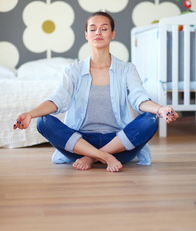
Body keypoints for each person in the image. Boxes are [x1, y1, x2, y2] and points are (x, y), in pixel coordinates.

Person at [13, 12, 179, 172]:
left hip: (119, 143)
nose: (98, 32)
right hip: (80, 143)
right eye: (92, 29)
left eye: (104, 28)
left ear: (112, 34)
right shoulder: (73, 70)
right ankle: (103, 156)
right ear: (86, 34)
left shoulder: (127, 69)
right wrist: (31, 113)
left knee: (150, 119)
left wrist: (160, 109)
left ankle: (91, 157)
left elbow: (139, 98)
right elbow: (58, 99)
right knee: (43, 121)